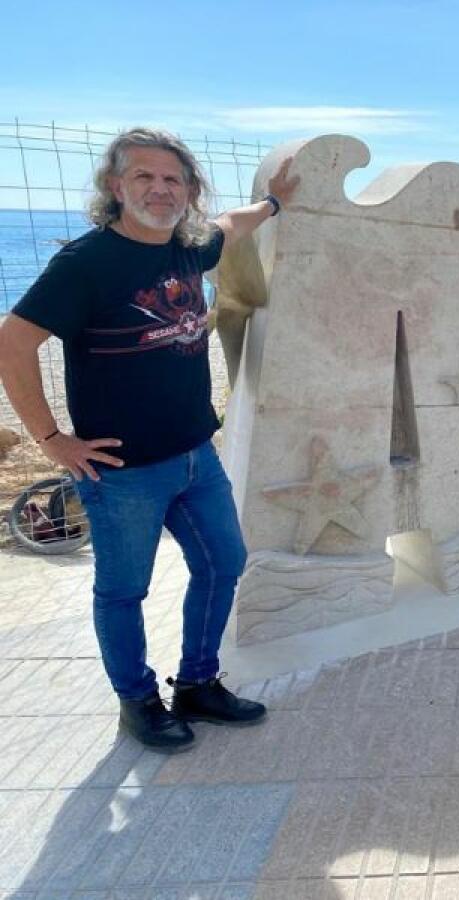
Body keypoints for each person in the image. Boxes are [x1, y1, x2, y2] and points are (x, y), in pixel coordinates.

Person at [0, 128, 299, 752]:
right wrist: (53, 438)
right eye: (144, 177)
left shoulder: (190, 248)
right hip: (121, 471)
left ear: (187, 191)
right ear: (116, 187)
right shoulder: (86, 264)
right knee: (123, 591)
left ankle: (197, 683)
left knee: (224, 561)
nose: (160, 189)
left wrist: (275, 203)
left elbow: (231, 223)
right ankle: (137, 702)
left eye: (173, 179)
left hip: (196, 456)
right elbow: (13, 341)